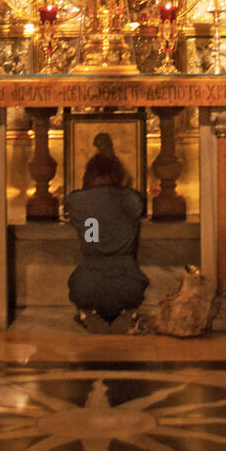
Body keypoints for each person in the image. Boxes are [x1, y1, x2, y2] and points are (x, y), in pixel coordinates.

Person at [65, 135, 149, 333]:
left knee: (78, 282)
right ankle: (128, 313)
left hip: (86, 286)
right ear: (119, 173)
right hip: (129, 285)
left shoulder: (76, 202)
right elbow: (129, 185)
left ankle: (87, 312)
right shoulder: (132, 200)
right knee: (131, 286)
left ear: (88, 174)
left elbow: (74, 202)